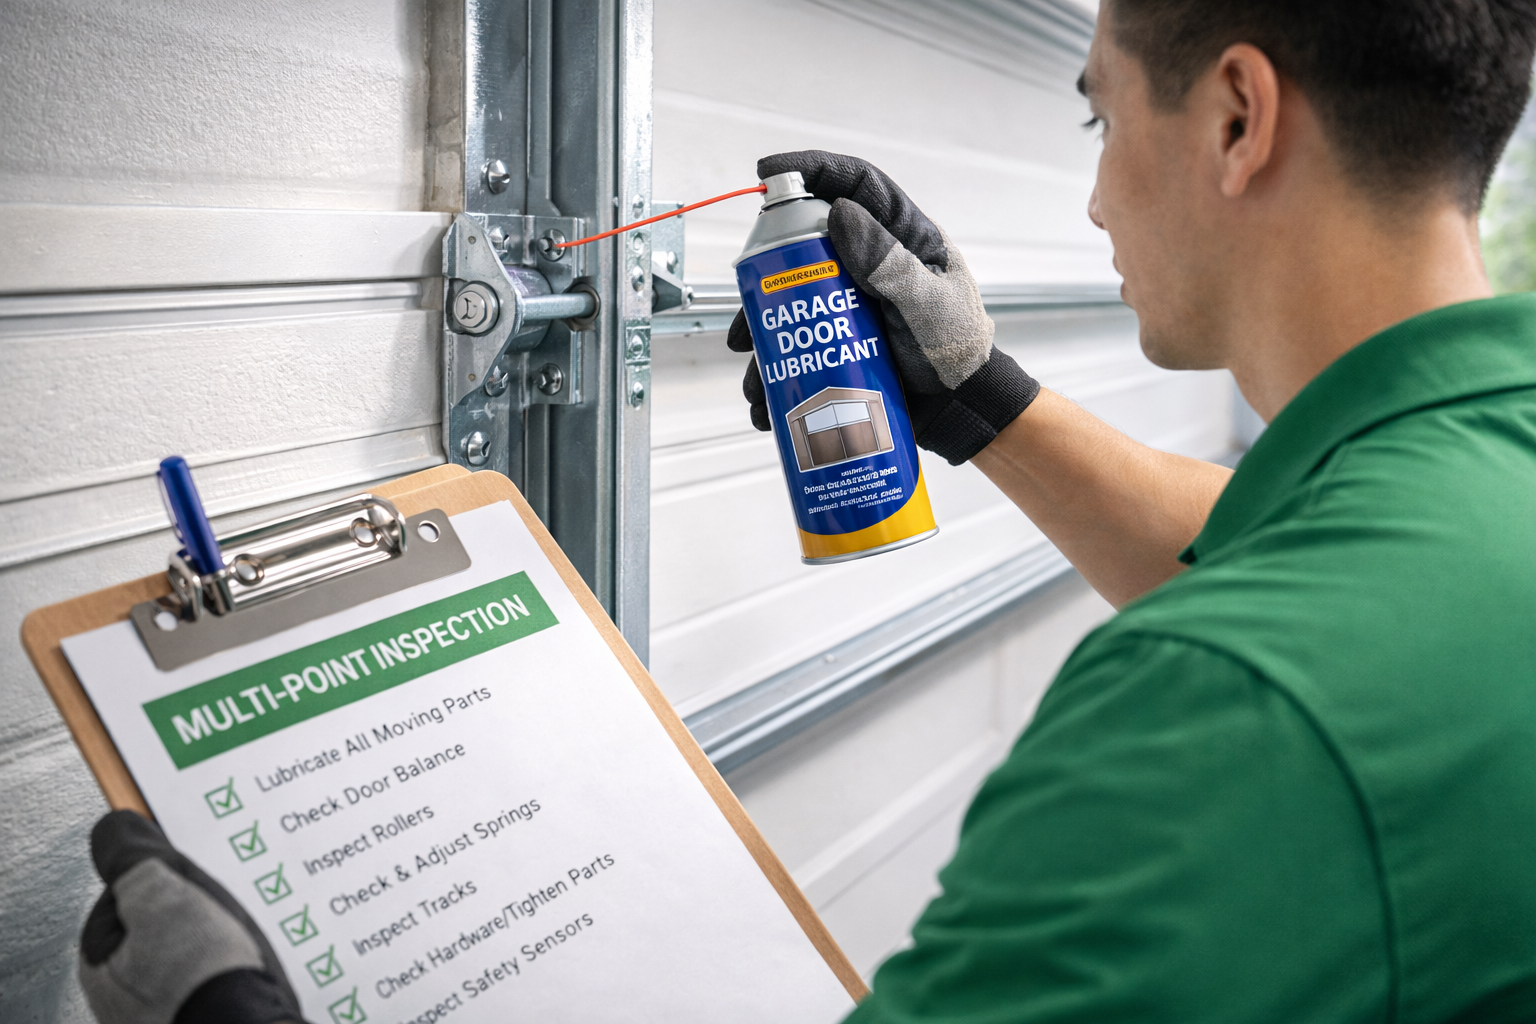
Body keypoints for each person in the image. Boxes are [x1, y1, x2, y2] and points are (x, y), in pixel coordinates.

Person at [80, 0, 1536, 1021]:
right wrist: (976, 397)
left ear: (1234, 116)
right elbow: (1304, 556)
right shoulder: (1471, 488)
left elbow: (1284, 652)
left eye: (1097, 113)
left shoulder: (1225, 712)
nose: (1091, 200)